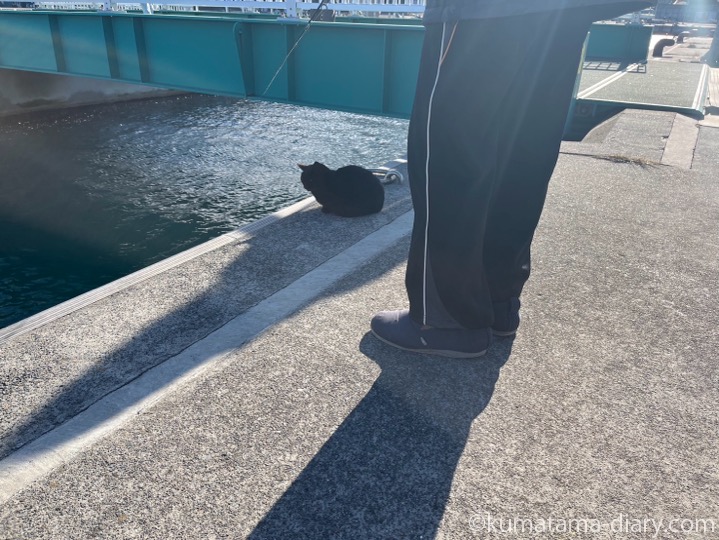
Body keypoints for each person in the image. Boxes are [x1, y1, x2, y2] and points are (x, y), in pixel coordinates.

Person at [371, 0, 652, 358]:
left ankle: (444, 319)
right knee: (523, 154)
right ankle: (498, 300)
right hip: (563, 12)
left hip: (479, 13)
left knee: (450, 157)